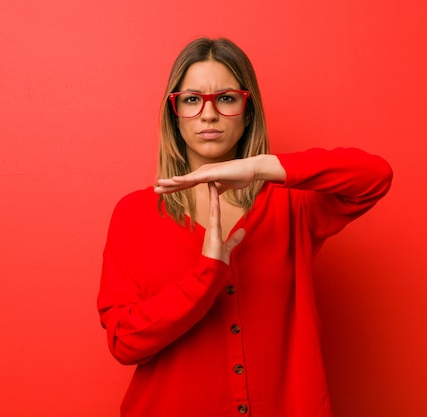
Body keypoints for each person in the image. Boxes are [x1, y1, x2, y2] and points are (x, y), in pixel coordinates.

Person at [97, 37, 393, 417]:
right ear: (174, 114)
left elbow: (374, 176)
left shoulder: (292, 203)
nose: (208, 114)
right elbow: (124, 342)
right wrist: (206, 276)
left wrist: (258, 167)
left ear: (247, 111)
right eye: (191, 100)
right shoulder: (135, 212)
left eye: (226, 98)